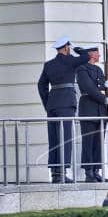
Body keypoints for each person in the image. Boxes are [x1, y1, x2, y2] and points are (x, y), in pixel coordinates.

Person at [38, 36, 89, 183]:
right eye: (69, 47)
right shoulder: (70, 60)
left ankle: (55, 172)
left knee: (53, 138)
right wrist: (77, 49)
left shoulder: (49, 65)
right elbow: (85, 56)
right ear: (66, 47)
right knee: (65, 138)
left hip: (52, 104)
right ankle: (62, 172)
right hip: (66, 103)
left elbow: (41, 85)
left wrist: (47, 103)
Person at [76, 46, 108, 182]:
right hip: (88, 108)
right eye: (97, 54)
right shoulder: (82, 69)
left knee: (99, 142)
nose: (99, 56)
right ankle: (89, 172)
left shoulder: (98, 70)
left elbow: (102, 87)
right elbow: (89, 88)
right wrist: (104, 99)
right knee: (88, 141)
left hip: (100, 110)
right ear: (91, 55)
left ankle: (96, 170)